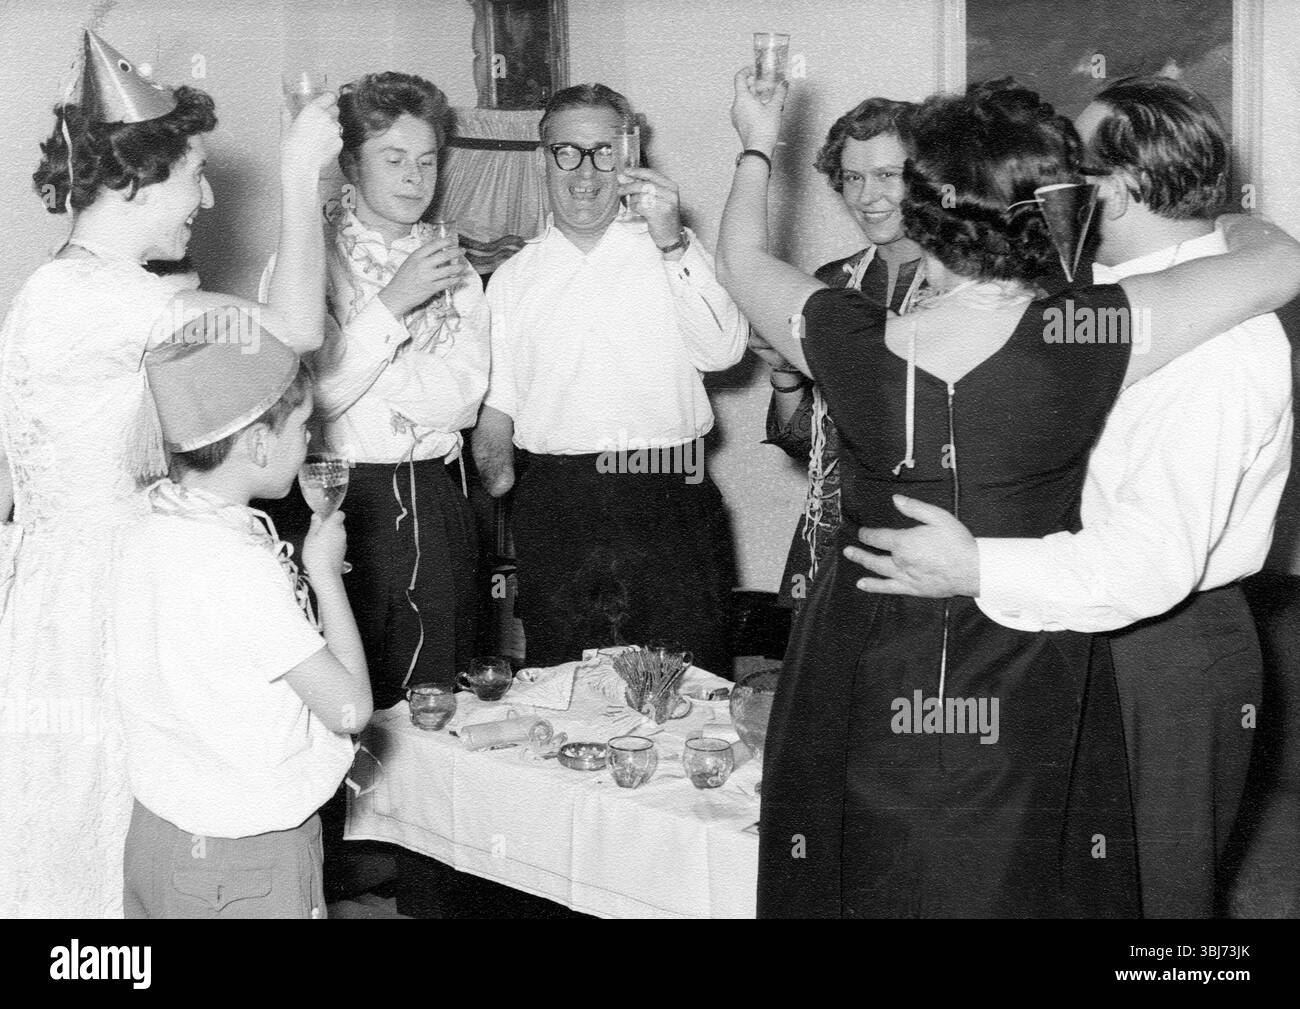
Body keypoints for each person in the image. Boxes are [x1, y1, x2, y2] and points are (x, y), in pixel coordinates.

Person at [715, 70, 1300, 917]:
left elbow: (740, 261)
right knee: (1021, 871)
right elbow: (1278, 265)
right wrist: (1238, 219)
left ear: (922, 217)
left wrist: (754, 141)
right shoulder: (1092, 328)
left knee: (868, 866)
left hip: (869, 635)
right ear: (1055, 209)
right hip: (1030, 649)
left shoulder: (846, 333)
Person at [0, 30, 339, 918]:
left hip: (66, 588)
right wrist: (301, 172)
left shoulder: (70, 290)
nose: (209, 194)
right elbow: (295, 329)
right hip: (102, 597)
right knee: (96, 838)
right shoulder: (110, 302)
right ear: (134, 181)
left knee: (92, 835)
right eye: (194, 174)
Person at [472, 83, 747, 673]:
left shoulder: (673, 250)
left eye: (603, 152)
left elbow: (725, 351)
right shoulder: (513, 279)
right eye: (566, 152)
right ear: (543, 159)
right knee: (566, 685)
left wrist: (672, 240)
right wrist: (490, 484)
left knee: (689, 684)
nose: (585, 172)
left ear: (630, 154)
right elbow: (500, 407)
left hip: (666, 489)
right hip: (556, 504)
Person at [112, 317, 370, 919]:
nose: (311, 441)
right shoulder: (237, 565)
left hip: (158, 840)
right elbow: (350, 708)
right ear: (258, 442)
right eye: (304, 427)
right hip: (248, 862)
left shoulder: (142, 528)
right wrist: (326, 576)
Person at [262, 72, 489, 710]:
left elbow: (462, 402)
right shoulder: (303, 262)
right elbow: (307, 401)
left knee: (437, 698)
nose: (415, 178)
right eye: (394, 160)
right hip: (334, 496)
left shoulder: (456, 266)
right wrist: (391, 308)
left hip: (432, 495)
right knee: (344, 704)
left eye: (426, 161)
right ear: (350, 166)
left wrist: (363, 363)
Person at [755, 98, 924, 613]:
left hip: (924, 536)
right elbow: (809, 448)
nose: (868, 196)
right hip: (831, 535)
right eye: (852, 178)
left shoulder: (967, 286)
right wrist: (785, 374)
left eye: (887, 175)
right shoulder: (832, 283)